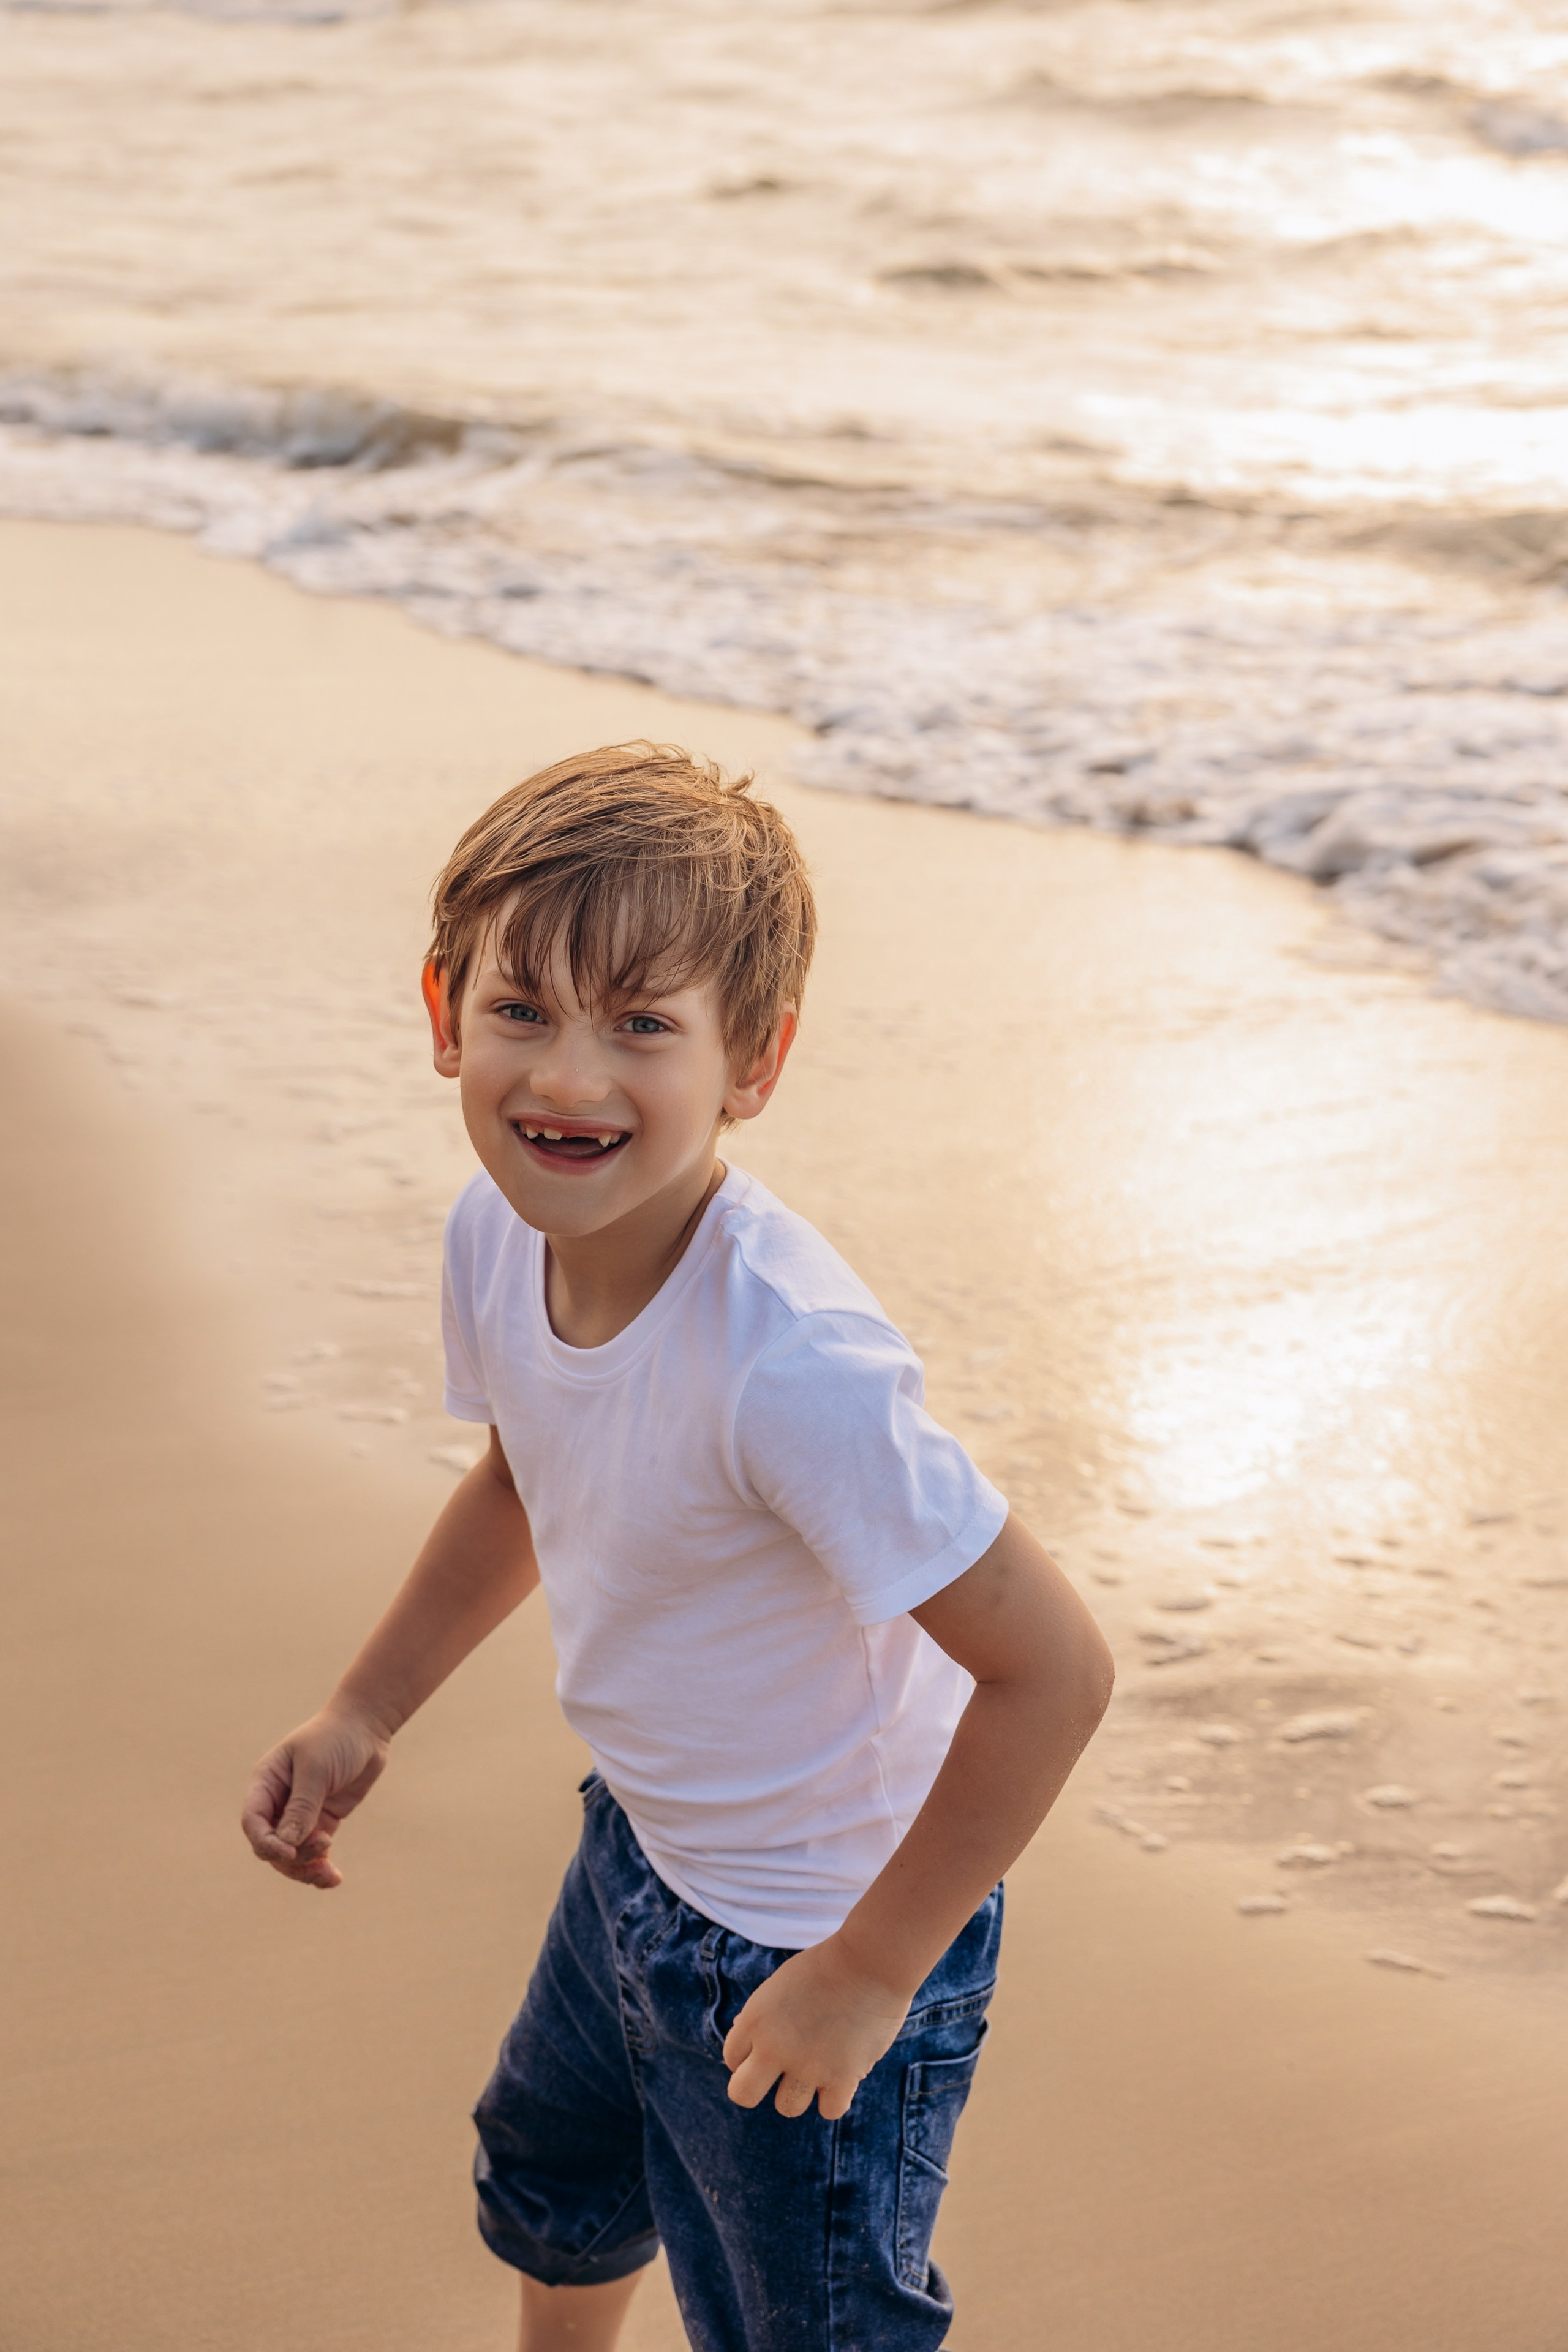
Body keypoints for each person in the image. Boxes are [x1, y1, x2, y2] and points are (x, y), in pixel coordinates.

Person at [241, 742, 1114, 2352]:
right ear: (444, 1015)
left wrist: (870, 1972)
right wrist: (364, 1709)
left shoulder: (791, 1363)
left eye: (643, 1025)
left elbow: (1054, 1672)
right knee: (555, 2183)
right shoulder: (501, 1231)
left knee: (805, 2325)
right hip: (639, 1852)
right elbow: (528, 1476)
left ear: (753, 1059)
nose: (569, 1079)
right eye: (523, 1010)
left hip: (819, 1920)